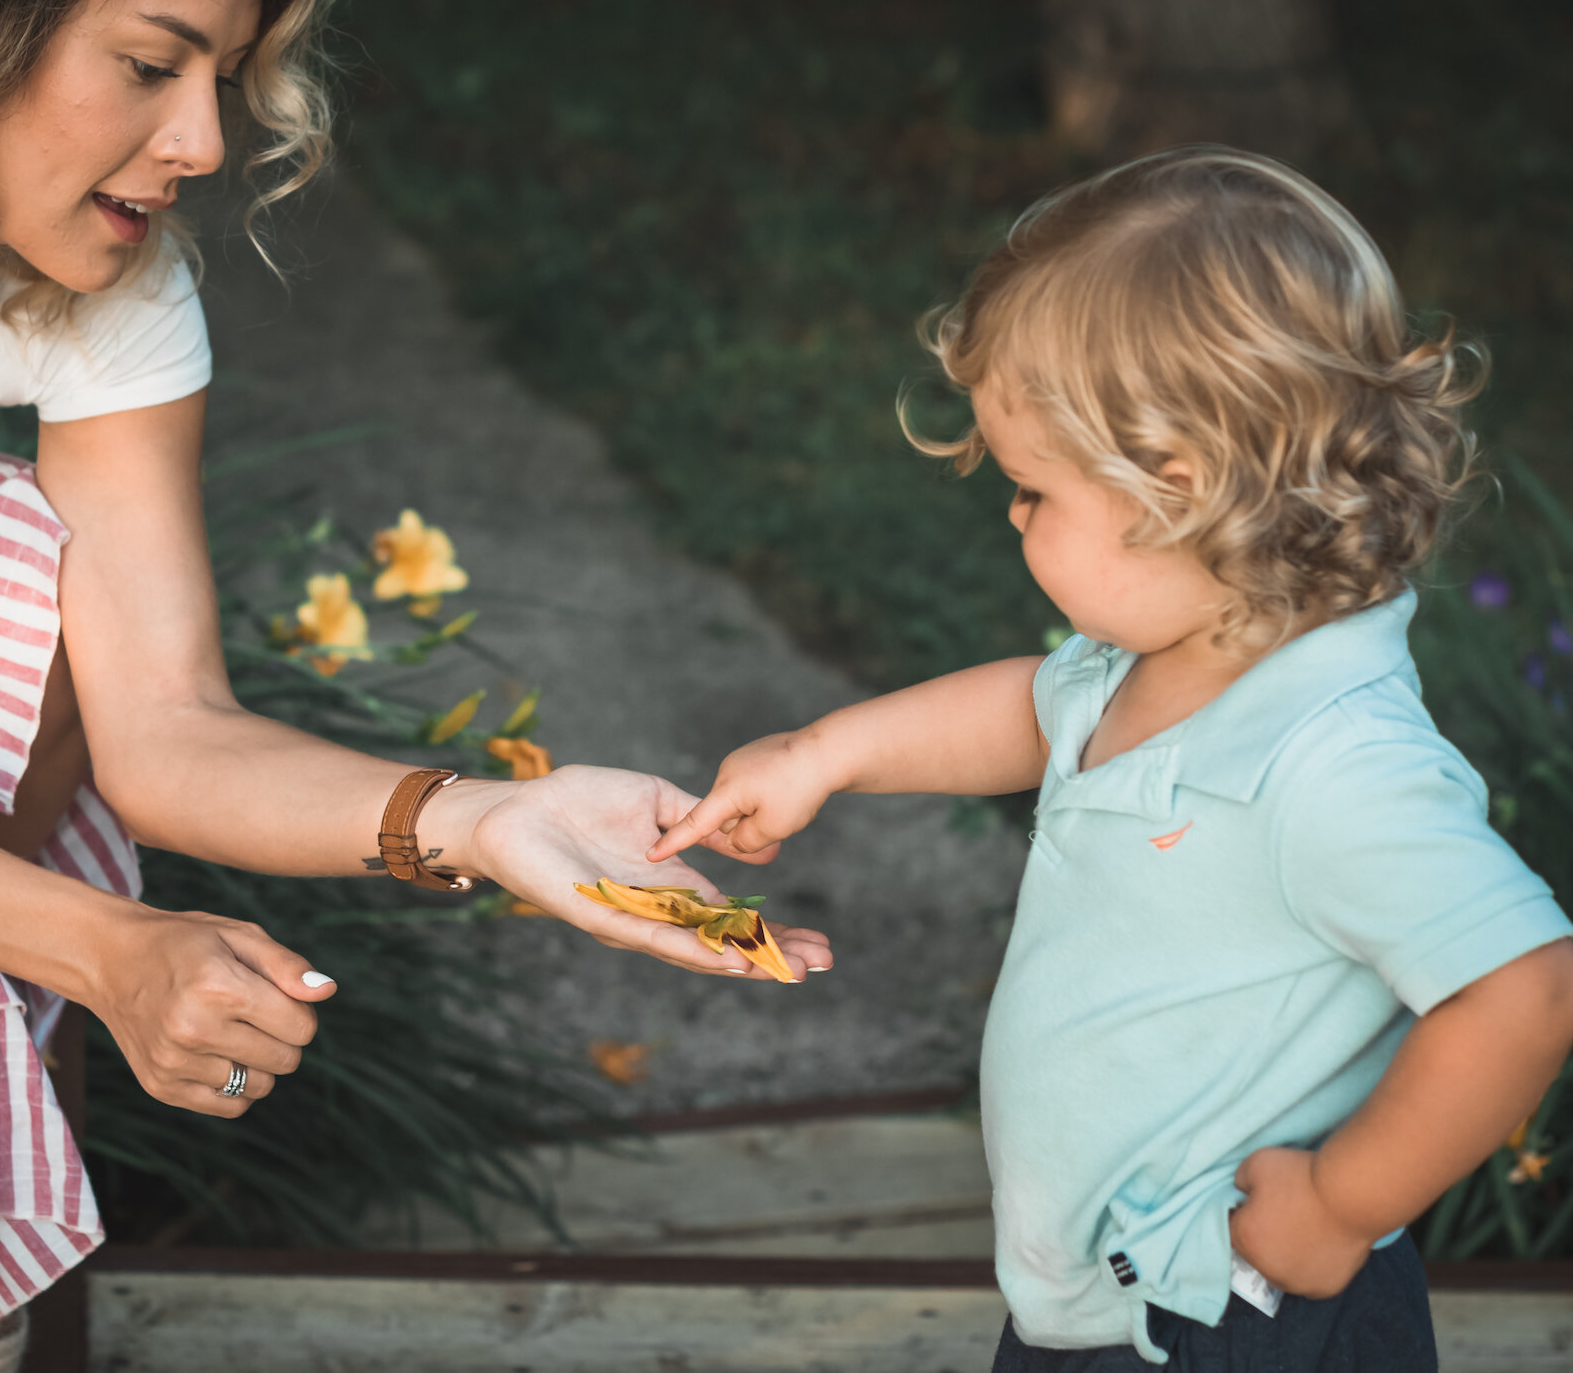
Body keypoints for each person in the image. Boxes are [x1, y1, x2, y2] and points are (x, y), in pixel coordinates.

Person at [0, 0, 833, 1369]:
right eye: (150, 65)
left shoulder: (98, 267)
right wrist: (113, 949)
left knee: (0, 554)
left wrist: (484, 819)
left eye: (222, 80)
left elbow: (165, 724)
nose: (204, 142)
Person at [650, 147, 1573, 1370]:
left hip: (1242, 1305)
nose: (1014, 517)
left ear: (1173, 492)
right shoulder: (1155, 656)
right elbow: (1033, 717)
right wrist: (826, 754)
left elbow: (1524, 990)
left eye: (1031, 491)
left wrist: (1341, 1205)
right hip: (1101, 1295)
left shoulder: (1329, 765)